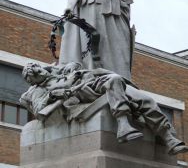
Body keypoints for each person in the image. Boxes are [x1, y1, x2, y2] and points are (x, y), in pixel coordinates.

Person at [20, 62, 188, 155]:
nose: (35, 70)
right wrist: (52, 94)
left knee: (144, 98)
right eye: (31, 73)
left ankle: (168, 138)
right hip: (80, 93)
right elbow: (38, 109)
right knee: (114, 80)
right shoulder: (38, 90)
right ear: (32, 81)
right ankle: (123, 124)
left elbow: (76, 64)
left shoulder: (58, 69)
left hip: (93, 80)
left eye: (34, 66)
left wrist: (72, 68)